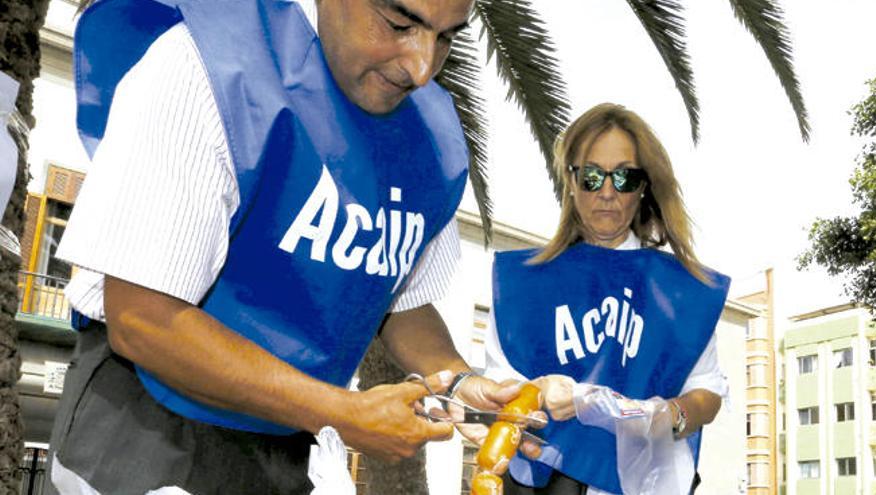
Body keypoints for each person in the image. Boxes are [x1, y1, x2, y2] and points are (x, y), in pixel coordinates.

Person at [46, 0, 525, 493]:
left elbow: (399, 297)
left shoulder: (432, 139)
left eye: (446, 37)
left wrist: (462, 382)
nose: (422, 69)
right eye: (400, 24)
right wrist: (340, 411)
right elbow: (141, 319)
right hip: (149, 423)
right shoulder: (207, 65)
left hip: (293, 436)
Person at [483, 103, 730, 495]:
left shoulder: (684, 290)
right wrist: (535, 391)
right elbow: (496, 380)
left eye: (625, 178)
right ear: (571, 181)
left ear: (644, 186)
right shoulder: (523, 281)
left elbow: (708, 391)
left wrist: (669, 416)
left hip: (649, 482)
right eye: (593, 176)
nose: (608, 192)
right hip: (546, 482)